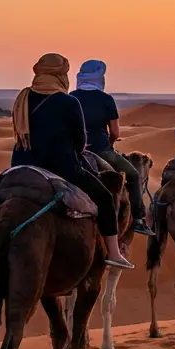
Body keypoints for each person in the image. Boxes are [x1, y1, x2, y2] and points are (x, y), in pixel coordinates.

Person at [9, 53, 134, 269]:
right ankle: (114, 252)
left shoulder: (23, 98)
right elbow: (80, 141)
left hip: (21, 165)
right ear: (61, 75)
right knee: (104, 197)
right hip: (62, 167)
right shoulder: (68, 102)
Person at [71, 59, 152, 235]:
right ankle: (138, 219)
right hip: (101, 150)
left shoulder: (71, 97)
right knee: (133, 175)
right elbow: (114, 132)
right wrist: (109, 146)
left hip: (73, 152)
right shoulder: (106, 100)